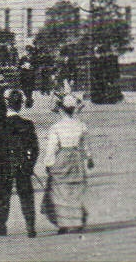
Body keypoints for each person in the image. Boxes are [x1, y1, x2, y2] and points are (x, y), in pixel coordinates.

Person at [0, 88, 39, 237]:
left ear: (6, 103)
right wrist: (30, 165)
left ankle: (0, 227)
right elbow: (35, 149)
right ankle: (30, 227)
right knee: (26, 196)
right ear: (20, 105)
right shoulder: (28, 124)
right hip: (22, 164)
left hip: (5, 165)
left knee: (2, 197)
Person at [40, 92, 93, 233]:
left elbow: (52, 147)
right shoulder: (81, 125)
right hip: (76, 157)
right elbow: (85, 146)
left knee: (59, 190)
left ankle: (63, 223)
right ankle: (77, 220)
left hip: (62, 157)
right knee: (75, 190)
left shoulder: (56, 127)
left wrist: (48, 162)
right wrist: (89, 158)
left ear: (61, 109)